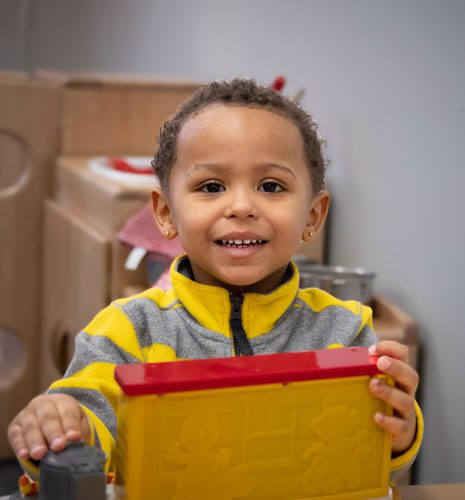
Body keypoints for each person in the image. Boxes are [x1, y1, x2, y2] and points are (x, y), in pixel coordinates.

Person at [8, 78, 422, 481]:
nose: (241, 206)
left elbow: (369, 455)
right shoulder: (128, 330)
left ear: (312, 217)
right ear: (166, 215)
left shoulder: (345, 330)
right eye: (211, 186)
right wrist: (60, 427)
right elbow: (88, 426)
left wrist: (400, 435)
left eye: (271, 185)